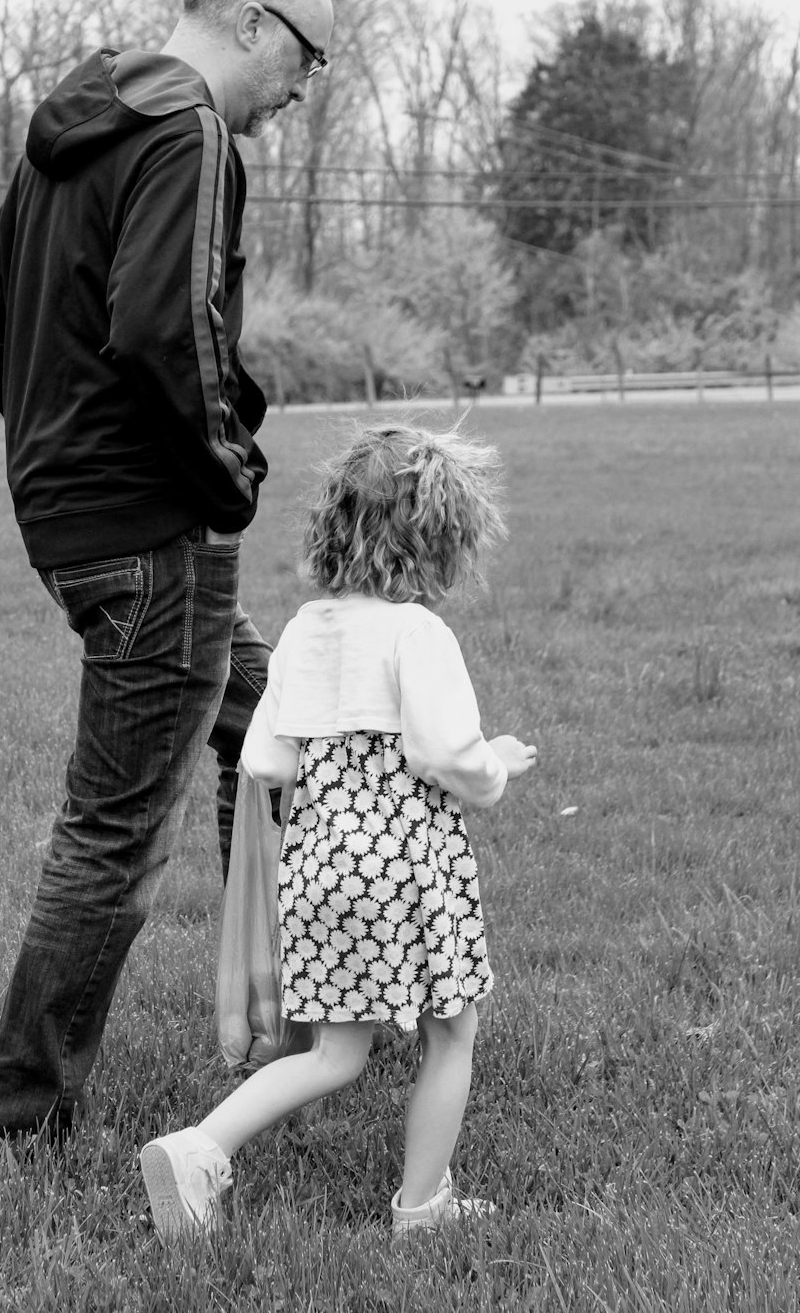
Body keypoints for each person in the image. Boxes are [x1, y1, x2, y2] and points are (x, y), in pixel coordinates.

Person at [0, 0, 334, 1142]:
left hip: (78, 516)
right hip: (150, 528)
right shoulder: (189, 132)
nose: (298, 93)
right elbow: (167, 331)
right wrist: (229, 479)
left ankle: (282, 1009)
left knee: (268, 710)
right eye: (306, 62)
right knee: (114, 833)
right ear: (258, 23)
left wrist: (65, 460)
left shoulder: (81, 119)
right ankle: (22, 1116)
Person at [139, 422, 538, 1243]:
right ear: (440, 540)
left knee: (333, 1054)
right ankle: (423, 1208)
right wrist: (493, 766)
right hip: (408, 869)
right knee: (451, 1031)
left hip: (319, 867)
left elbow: (264, 757)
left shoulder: (307, 628)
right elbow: (443, 753)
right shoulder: (416, 633)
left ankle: (199, 1148)